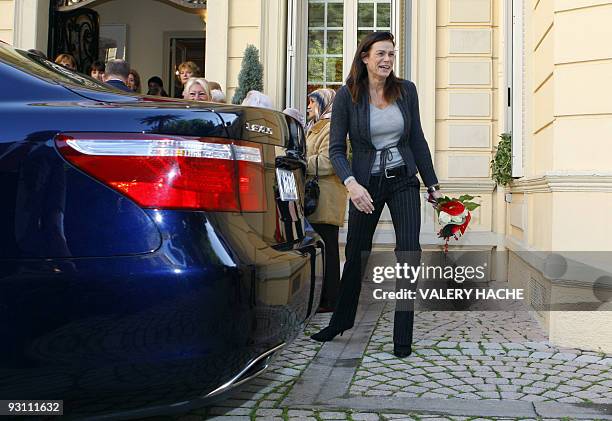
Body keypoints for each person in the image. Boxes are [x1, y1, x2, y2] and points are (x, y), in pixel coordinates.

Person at [310, 32, 443, 358]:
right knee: (356, 253)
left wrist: (433, 185)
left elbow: (418, 141)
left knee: (410, 252)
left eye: (391, 55)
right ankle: (339, 323)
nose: (387, 60)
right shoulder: (347, 96)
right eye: (381, 53)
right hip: (365, 184)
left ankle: (403, 337)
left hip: (403, 182)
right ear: (365, 57)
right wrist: (352, 185)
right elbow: (337, 149)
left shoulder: (406, 90)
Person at [305, 89, 347, 312]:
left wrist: (300, 160)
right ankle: (322, 298)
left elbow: (328, 162)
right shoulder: (314, 127)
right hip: (315, 196)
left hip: (326, 197)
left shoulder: (331, 127)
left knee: (329, 248)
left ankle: (330, 300)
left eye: (313, 102)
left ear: (324, 104)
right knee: (321, 247)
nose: (309, 106)